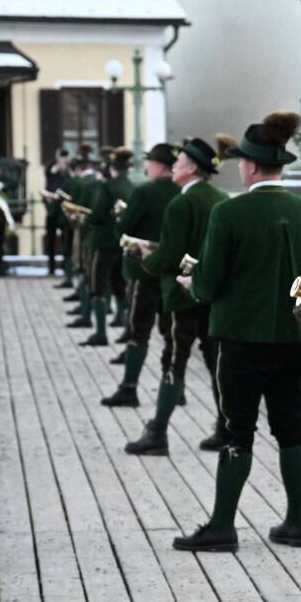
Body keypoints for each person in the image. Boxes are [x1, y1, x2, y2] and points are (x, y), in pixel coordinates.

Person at [169, 111, 301, 552]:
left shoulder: (230, 212)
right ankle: (296, 523)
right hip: (291, 342)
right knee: (291, 428)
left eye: (242, 160)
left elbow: (210, 282)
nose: (239, 166)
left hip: (239, 340)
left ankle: (223, 526)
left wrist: (191, 282)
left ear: (253, 166)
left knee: (237, 430)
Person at [124, 136, 232, 456]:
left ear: (192, 169)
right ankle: (224, 427)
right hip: (212, 296)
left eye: (179, 162)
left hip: (181, 297)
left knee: (174, 360)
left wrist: (144, 255)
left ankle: (157, 432)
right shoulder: (221, 198)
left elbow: (170, 258)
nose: (174, 166)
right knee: (216, 362)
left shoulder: (181, 203)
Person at [100, 143, 182, 407]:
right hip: (176, 274)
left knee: (138, 331)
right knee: (172, 333)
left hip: (144, 271)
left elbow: (124, 230)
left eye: (149, 162)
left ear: (158, 165)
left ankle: (129, 387)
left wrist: (120, 218)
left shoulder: (145, 191)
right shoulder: (184, 192)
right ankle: (176, 388)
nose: (145, 167)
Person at [80, 147, 136, 347]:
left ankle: (101, 333)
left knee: (98, 287)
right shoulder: (132, 187)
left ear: (112, 167)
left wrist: (87, 218)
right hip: (122, 242)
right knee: (120, 285)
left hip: (103, 241)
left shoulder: (107, 187)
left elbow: (97, 214)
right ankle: (125, 324)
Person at [64, 148, 102, 329]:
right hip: (101, 235)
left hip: (87, 232)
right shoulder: (98, 182)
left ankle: (86, 310)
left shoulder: (82, 183)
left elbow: (78, 209)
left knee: (85, 270)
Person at [45, 147, 71, 283]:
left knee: (66, 240)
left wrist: (65, 169)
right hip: (52, 211)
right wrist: (56, 166)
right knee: (51, 240)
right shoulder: (52, 168)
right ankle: (51, 267)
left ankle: (66, 267)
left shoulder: (68, 172)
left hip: (64, 211)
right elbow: (48, 174)